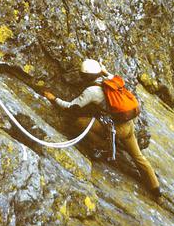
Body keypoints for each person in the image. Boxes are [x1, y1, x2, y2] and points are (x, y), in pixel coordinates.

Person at [43, 59, 161, 198]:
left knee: (79, 122)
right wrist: (105, 71)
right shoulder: (111, 80)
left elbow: (72, 107)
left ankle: (103, 146)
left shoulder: (91, 91)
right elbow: (115, 80)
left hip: (116, 129)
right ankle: (156, 191)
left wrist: (53, 98)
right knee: (139, 158)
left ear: (85, 76)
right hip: (129, 126)